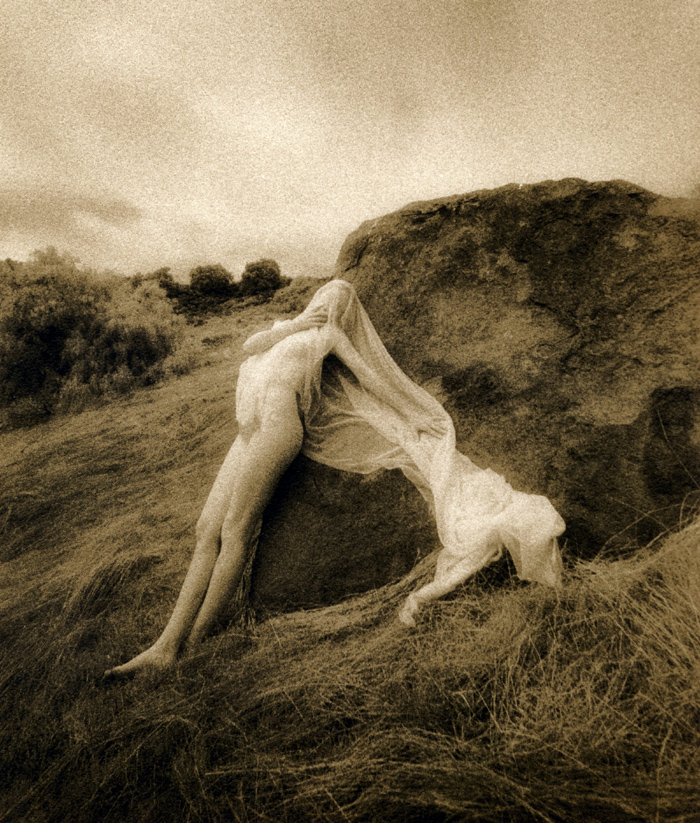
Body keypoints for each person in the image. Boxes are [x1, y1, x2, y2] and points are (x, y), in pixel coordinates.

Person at [105, 279, 564, 677]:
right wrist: (294, 324)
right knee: (205, 528)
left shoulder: (330, 336)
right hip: (248, 429)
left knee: (235, 529)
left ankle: (187, 647)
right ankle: (164, 644)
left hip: (278, 429)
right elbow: (249, 345)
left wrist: (416, 414)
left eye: (339, 302)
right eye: (326, 297)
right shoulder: (288, 328)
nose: (329, 305)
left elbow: (373, 379)